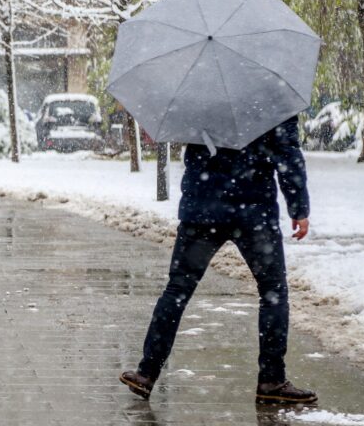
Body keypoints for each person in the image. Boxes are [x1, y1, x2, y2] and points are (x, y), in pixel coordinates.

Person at [119, 116, 318, 405]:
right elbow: (288, 157)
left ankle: (146, 373)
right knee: (273, 294)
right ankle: (272, 379)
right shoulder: (274, 98)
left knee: (177, 291)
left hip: (202, 211)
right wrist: (298, 208)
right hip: (254, 213)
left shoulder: (199, 93)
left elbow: (185, 141)